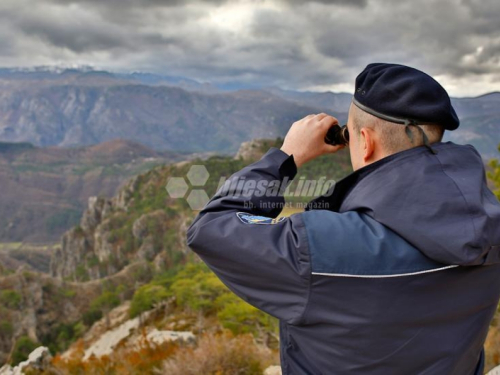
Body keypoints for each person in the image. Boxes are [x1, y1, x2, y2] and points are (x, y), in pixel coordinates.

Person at [186, 63, 500, 374]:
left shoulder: (319, 248)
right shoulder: (490, 225)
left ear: (367, 141)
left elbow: (210, 227)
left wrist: (286, 158)